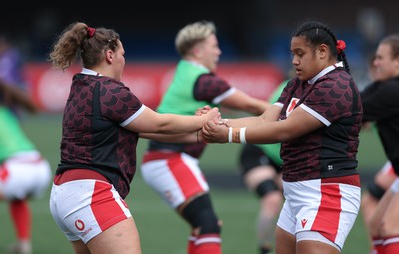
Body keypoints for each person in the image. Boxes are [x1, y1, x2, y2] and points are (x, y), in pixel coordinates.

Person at [47, 22, 221, 254]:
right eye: (122, 54)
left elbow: (144, 129)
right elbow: (159, 122)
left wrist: (197, 134)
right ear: (110, 55)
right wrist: (202, 120)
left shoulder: (81, 84)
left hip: (65, 194)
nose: (123, 60)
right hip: (90, 194)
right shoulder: (110, 91)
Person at [202, 20, 363, 254]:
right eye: (292, 54)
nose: (294, 61)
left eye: (300, 53)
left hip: (326, 192)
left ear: (322, 51)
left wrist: (228, 135)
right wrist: (217, 123)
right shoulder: (297, 83)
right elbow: (265, 120)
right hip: (295, 191)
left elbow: (285, 129)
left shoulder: (336, 86)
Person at [139, 20, 269, 254]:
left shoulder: (185, 70)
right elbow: (250, 105)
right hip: (169, 160)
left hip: (166, 159)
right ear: (198, 50)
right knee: (208, 225)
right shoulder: (203, 79)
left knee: (205, 226)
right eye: (214, 45)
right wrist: (290, 112)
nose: (218, 51)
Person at [0, 81, 52, 254]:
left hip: (17, 170)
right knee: (17, 198)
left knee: (13, 190)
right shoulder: (5, 112)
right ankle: (24, 245)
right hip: (40, 168)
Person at [360, 34, 399, 254]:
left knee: (390, 227)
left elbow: (349, 112)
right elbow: (360, 103)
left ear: (398, 61)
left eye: (381, 58)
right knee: (376, 223)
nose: (375, 63)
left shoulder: (392, 91)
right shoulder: (385, 87)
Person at [238, 79, 287, 254]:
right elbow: (269, 119)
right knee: (272, 199)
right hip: (260, 151)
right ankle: (264, 250)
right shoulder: (288, 88)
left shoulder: (322, 90)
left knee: (297, 199)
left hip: (286, 158)